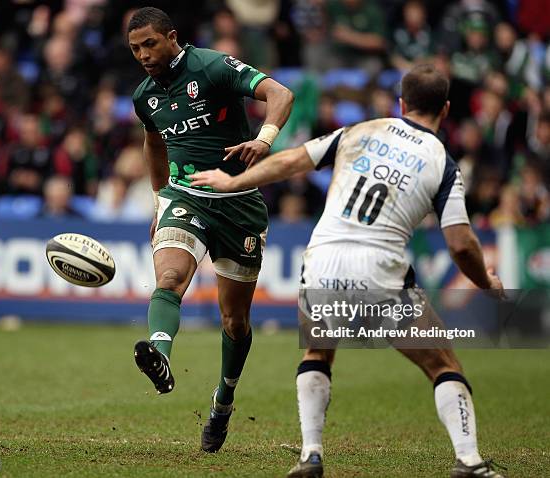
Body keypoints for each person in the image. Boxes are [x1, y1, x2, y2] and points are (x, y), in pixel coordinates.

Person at [190, 64, 506, 478]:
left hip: (322, 258)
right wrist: (486, 280)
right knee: (443, 365)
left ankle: (310, 454)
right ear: (445, 109)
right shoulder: (442, 162)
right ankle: (468, 461)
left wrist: (235, 182)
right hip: (380, 266)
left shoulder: (358, 131)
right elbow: (461, 243)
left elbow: (291, 160)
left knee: (318, 353)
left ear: (401, 103)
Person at [127, 7, 293, 453]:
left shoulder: (212, 66)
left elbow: (280, 93)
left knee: (234, 321)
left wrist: (264, 139)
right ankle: (159, 355)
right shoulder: (145, 96)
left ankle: (223, 399)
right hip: (186, 196)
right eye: (135, 48)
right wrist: (160, 200)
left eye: (150, 44)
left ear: (172, 37)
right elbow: (154, 142)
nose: (143, 54)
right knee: (169, 279)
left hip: (239, 203)